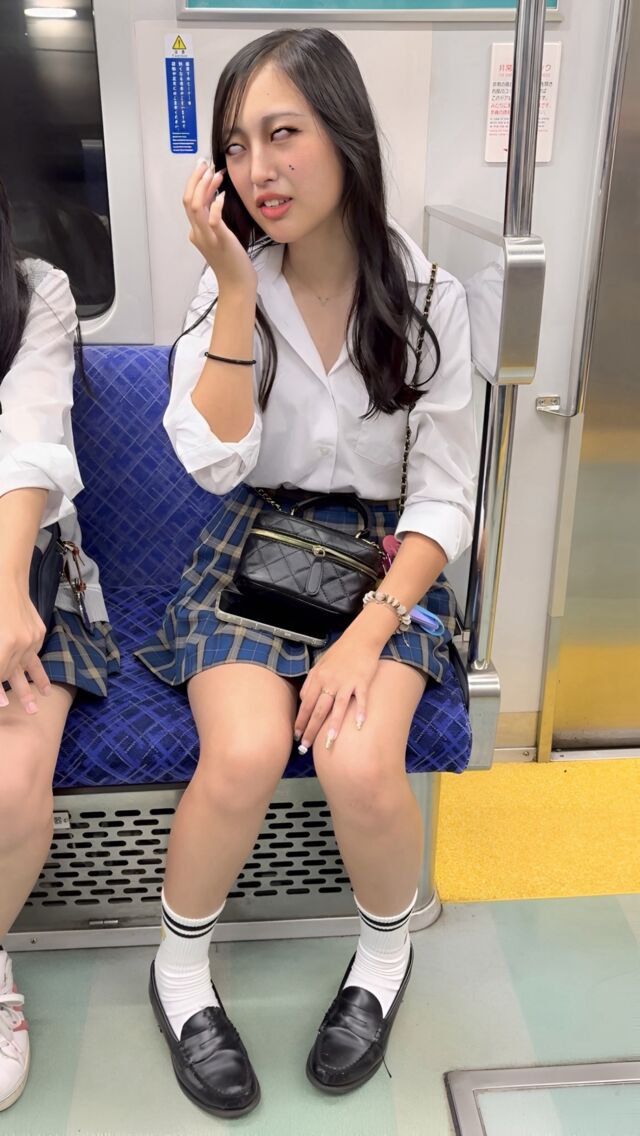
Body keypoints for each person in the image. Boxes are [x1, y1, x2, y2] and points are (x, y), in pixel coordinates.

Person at [136, 27, 477, 1119]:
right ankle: (178, 973)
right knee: (241, 750)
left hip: (387, 559)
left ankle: (382, 956)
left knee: (359, 760)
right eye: (237, 146)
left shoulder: (429, 295)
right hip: (256, 536)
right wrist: (235, 288)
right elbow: (212, 461)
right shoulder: (230, 289)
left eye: (283, 133)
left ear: (345, 135)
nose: (258, 169)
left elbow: (444, 498)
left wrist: (368, 633)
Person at [0, 179, 119, 1113]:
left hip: (28, 565)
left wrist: (5, 589)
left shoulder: (36, 290)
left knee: (10, 783)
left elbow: (31, 440)